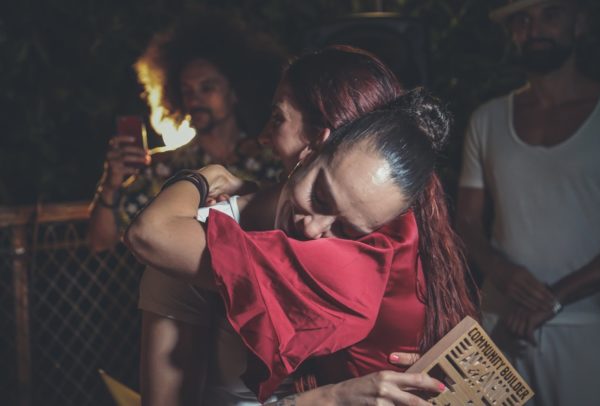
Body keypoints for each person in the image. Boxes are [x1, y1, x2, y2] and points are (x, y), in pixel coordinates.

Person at [137, 46, 473, 406]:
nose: (315, 229)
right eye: (321, 196)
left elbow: (152, 233)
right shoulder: (199, 236)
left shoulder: (380, 248)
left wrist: (205, 178)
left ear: (319, 139)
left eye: (278, 118)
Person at [456, 1, 600, 405]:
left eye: (551, 15)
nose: (535, 29)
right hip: (497, 327)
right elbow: (467, 221)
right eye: (522, 19)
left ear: (580, 23)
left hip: (593, 327)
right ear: (511, 33)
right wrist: (501, 271)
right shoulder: (486, 119)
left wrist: (554, 298)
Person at [87, 10, 283, 252]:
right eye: (187, 91)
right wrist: (110, 184)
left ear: (234, 92)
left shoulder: (271, 158)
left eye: (207, 87)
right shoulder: (163, 167)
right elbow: (100, 242)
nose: (195, 99)